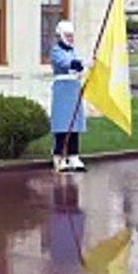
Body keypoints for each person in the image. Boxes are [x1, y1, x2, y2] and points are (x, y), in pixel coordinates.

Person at [50, 20, 89, 172]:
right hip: (62, 89)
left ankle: (74, 155)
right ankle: (59, 155)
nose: (71, 38)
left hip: (73, 89)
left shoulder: (73, 51)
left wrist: (85, 66)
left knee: (75, 125)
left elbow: (77, 66)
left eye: (72, 35)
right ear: (60, 35)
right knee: (62, 124)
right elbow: (65, 63)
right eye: (68, 35)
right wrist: (80, 63)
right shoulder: (56, 51)